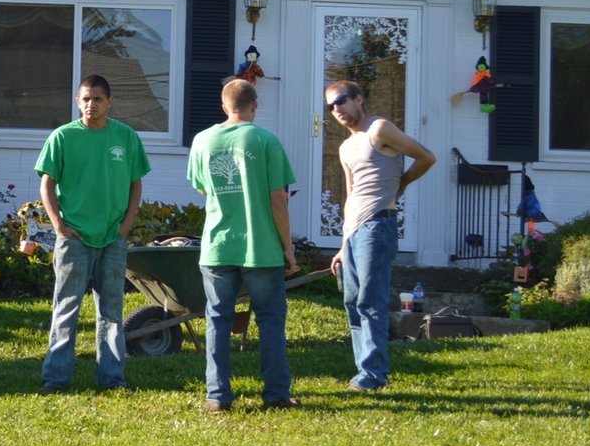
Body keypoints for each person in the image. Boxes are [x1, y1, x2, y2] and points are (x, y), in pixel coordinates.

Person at [187, 79, 298, 413]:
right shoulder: (265, 140)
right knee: (270, 320)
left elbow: (203, 190)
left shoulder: (202, 140)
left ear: (224, 106)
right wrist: (288, 248)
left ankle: (218, 396)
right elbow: (278, 198)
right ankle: (276, 394)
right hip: (261, 248)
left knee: (217, 320)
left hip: (218, 246)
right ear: (254, 105)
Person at [35, 75, 149, 392]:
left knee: (111, 313)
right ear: (77, 102)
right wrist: (58, 224)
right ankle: (55, 380)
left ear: (109, 102)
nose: (91, 104)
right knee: (65, 310)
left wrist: (125, 226)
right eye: (85, 98)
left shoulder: (125, 138)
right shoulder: (62, 138)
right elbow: (47, 183)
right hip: (74, 238)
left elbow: (136, 183)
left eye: (97, 99)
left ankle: (112, 379)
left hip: (113, 238)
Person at [324, 80, 436, 391]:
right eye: (331, 106)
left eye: (342, 101)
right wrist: (342, 244)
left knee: (370, 301)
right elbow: (350, 195)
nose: (337, 109)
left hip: (378, 225)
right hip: (355, 230)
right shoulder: (345, 147)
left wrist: (402, 183)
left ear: (359, 99)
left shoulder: (380, 129)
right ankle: (364, 370)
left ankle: (373, 375)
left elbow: (427, 156)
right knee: (352, 302)